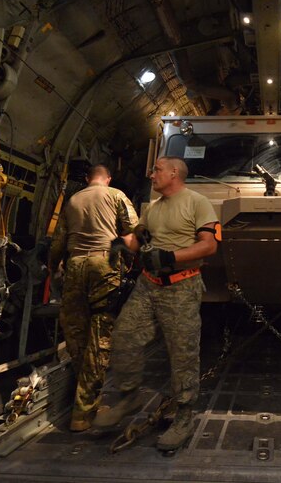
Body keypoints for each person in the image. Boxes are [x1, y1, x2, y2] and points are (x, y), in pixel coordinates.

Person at [93, 156, 219, 451]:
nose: (152, 174)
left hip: (181, 287)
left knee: (182, 355)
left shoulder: (197, 203)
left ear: (174, 173)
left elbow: (209, 245)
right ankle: (129, 396)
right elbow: (139, 239)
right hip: (148, 286)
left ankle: (184, 416)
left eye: (157, 170)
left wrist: (170, 257)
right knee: (124, 338)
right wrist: (121, 244)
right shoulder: (152, 209)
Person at [49, 164, 138, 432]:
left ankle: (84, 399)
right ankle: (84, 412)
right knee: (100, 336)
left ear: (88, 179)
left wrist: (54, 267)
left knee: (76, 333)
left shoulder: (73, 200)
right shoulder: (115, 195)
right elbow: (135, 230)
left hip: (75, 264)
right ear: (107, 178)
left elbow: (58, 242)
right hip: (104, 263)